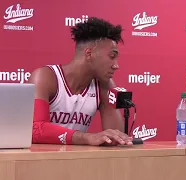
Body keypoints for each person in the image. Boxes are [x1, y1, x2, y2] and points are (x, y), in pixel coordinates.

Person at [28, 17, 133, 146]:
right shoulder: (46, 77)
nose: (116, 65)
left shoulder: (103, 85)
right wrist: (87, 138)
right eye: (112, 56)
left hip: (75, 161)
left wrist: (113, 138)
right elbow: (35, 129)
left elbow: (116, 139)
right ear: (89, 54)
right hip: (38, 159)